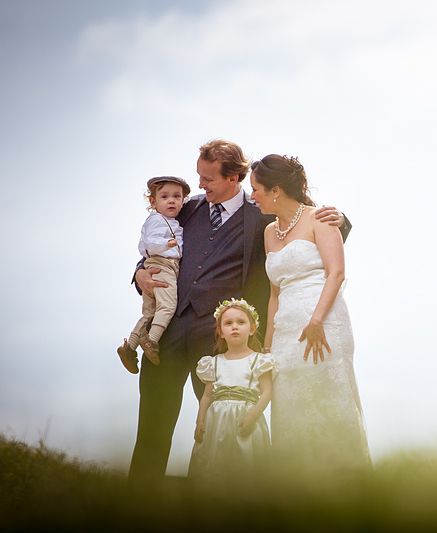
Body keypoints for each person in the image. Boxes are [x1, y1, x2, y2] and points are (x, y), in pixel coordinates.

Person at [128, 140, 350, 487]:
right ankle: (136, 498)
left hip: (222, 340)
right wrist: (140, 273)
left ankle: (220, 498)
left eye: (208, 178)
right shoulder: (187, 209)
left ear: (233, 178)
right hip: (168, 331)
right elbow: (155, 243)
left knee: (223, 425)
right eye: (199, 176)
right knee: (152, 421)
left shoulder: (261, 212)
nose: (199, 184)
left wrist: (342, 220)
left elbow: (303, 217)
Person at [250, 154, 370, 475]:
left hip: (325, 321)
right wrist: (267, 348)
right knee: (290, 404)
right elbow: (274, 294)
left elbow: (336, 273)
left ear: (275, 190)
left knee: (328, 400)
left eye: (256, 189)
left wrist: (316, 320)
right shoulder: (269, 232)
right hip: (285, 330)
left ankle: (345, 479)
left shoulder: (321, 218)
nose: (253, 196)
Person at [189, 298, 274, 490]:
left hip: (246, 417)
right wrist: (200, 420)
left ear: (252, 329)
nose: (234, 327)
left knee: (245, 467)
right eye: (228, 323)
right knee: (214, 466)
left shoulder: (260, 361)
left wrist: (253, 415)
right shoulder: (213, 362)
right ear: (220, 332)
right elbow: (207, 396)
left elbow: (267, 392)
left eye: (241, 322)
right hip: (216, 420)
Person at [117, 176, 190, 373]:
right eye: (165, 197)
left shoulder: (169, 220)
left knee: (149, 312)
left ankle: (130, 347)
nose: (171, 201)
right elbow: (150, 243)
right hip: (163, 266)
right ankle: (151, 340)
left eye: (177, 196)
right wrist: (167, 244)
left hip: (158, 265)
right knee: (168, 305)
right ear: (153, 201)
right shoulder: (156, 220)